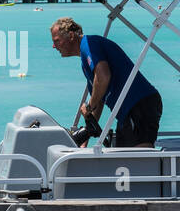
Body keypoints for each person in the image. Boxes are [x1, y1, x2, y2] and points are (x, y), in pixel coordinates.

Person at [50, 17, 162, 147]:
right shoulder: (85, 60)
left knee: (137, 154)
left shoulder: (90, 44)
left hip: (138, 103)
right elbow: (98, 100)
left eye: (57, 41)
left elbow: (103, 77)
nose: (54, 46)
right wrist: (85, 139)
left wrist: (89, 106)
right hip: (127, 110)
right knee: (121, 154)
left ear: (70, 36)